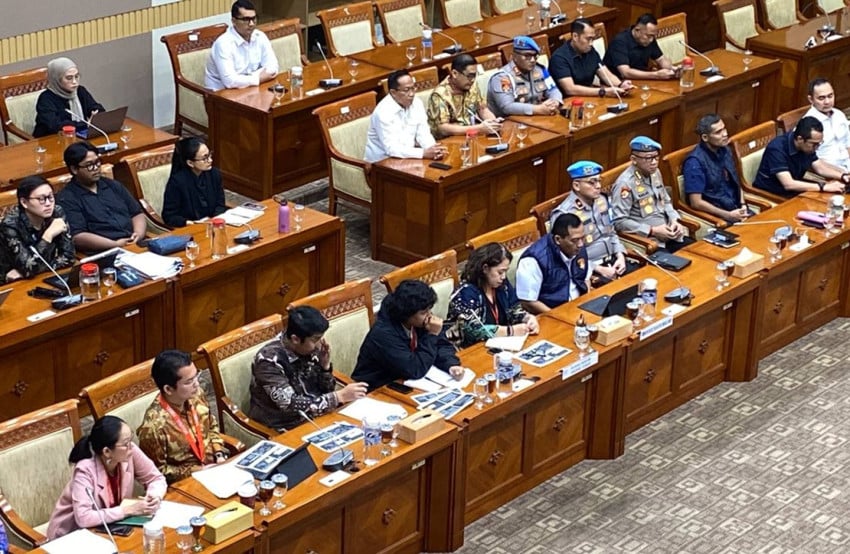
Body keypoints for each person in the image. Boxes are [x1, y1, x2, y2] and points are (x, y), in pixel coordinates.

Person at [46, 415, 166, 540]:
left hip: (110, 529)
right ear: (107, 452)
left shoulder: (129, 451)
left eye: (131, 439)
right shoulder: (84, 470)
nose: (131, 446)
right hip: (71, 535)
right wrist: (128, 510)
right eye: (126, 443)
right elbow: (83, 517)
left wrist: (154, 496)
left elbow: (156, 478)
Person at [250, 306, 368, 431]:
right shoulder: (268, 361)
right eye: (316, 339)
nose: (320, 345)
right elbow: (290, 403)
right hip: (284, 426)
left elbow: (326, 390)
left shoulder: (310, 349)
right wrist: (337, 397)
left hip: (317, 418)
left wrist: (325, 367)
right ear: (295, 339)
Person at [352, 279, 464, 391]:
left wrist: (450, 364)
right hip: (377, 388)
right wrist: (432, 335)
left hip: (406, 382)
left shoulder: (418, 319)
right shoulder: (383, 334)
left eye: (429, 310)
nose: (429, 316)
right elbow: (415, 369)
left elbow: (440, 344)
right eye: (424, 312)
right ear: (406, 313)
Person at [137, 350, 228, 484]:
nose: (197, 384)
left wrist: (219, 453)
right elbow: (157, 472)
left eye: (196, 376)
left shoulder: (196, 395)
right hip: (185, 484)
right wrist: (197, 471)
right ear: (168, 389)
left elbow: (212, 425)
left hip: (215, 467)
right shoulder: (153, 427)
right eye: (189, 381)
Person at [551, 161, 633, 285]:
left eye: (599, 181)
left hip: (615, 261)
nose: (598, 186)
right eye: (592, 182)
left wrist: (620, 254)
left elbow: (611, 232)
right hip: (588, 271)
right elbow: (565, 255)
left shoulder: (602, 201)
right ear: (576, 185)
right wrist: (598, 269)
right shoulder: (564, 214)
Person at [56, 142, 146, 252]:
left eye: (97, 163)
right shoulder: (67, 198)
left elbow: (136, 213)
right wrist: (115, 244)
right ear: (74, 169)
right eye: (89, 165)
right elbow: (78, 236)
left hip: (135, 243)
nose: (96, 168)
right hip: (104, 251)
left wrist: (138, 234)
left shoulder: (113, 185)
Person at [446, 242, 540, 347]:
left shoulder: (501, 285)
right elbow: (472, 330)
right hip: (471, 351)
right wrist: (510, 331)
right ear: (485, 268)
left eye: (505, 272)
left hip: (502, 345)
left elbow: (514, 310)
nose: (503, 277)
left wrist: (528, 318)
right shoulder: (465, 293)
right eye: (500, 272)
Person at [610, 136, 693, 252]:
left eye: (656, 157)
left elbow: (666, 201)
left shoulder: (655, 173)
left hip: (670, 234)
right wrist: (652, 230)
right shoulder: (625, 184)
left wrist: (675, 220)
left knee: (696, 253)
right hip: (650, 241)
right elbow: (619, 221)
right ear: (634, 159)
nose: (654, 163)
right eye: (649, 158)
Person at [0, 175, 75, 284]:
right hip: (11, 284)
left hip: (42, 277)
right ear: (24, 202)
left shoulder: (57, 212)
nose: (48, 203)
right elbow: (29, 268)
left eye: (51, 197)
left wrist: (33, 270)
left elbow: (69, 257)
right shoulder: (10, 225)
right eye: (41, 199)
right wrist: (48, 236)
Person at [754, 116, 849, 198]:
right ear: (800, 139)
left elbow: (819, 167)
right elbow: (789, 184)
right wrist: (823, 187)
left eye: (819, 143)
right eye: (814, 144)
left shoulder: (807, 146)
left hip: (794, 191)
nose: (817, 148)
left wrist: (843, 176)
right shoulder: (777, 149)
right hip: (772, 194)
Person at [364, 69, 447, 163]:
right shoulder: (383, 112)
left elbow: (423, 133)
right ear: (393, 92)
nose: (411, 94)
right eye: (406, 90)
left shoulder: (417, 103)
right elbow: (391, 149)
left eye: (413, 88)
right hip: (382, 162)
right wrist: (423, 153)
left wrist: (433, 150)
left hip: (408, 158)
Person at [683, 114, 752, 223]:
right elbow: (696, 202)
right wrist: (728, 215)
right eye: (718, 132)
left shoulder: (726, 150)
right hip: (720, 216)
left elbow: (736, 181)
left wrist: (743, 204)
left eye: (724, 128)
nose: (725, 134)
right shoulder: (694, 162)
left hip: (737, 208)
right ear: (705, 137)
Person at [516, 213, 590, 314]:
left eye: (583, 238)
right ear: (558, 239)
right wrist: (559, 317)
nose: (581, 244)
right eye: (575, 240)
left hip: (579, 307)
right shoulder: (533, 260)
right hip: (552, 314)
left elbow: (585, 278)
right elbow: (528, 302)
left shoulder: (577, 247)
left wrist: (588, 302)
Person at [205, 0, 279, 91]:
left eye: (254, 18)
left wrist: (245, 79)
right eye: (246, 20)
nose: (251, 24)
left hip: (250, 89)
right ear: (234, 21)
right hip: (221, 94)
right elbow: (230, 82)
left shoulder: (260, 36)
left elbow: (273, 67)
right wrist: (259, 77)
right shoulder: (223, 44)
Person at [549, 19, 633, 98]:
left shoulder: (590, 50)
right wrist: (603, 91)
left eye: (592, 39)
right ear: (575, 36)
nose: (591, 43)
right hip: (569, 102)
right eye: (588, 39)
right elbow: (570, 89)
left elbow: (606, 74)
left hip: (590, 98)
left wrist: (620, 85)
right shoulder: (559, 58)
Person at [427, 53, 503, 139]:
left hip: (471, 135)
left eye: (474, 75)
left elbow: (482, 109)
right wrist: (478, 128)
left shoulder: (472, 85)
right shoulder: (439, 94)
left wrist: (493, 122)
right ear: (455, 73)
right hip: (450, 140)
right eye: (469, 76)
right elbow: (443, 128)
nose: (473, 80)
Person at [487, 36, 563, 118]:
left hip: (538, 117)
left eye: (535, 56)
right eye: (527, 56)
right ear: (514, 57)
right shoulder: (503, 77)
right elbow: (507, 106)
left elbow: (553, 90)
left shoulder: (540, 70)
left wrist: (555, 101)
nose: (533, 60)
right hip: (510, 123)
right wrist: (537, 109)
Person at [161, 137, 227, 227]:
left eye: (210, 155)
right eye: (205, 158)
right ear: (190, 163)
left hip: (214, 225)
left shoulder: (214, 174)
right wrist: (190, 223)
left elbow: (220, 204)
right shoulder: (177, 182)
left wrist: (215, 219)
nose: (210, 160)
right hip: (190, 229)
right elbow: (169, 216)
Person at [33, 57, 105, 138]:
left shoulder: (80, 91)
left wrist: (97, 116)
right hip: (52, 141)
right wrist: (86, 124)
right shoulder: (46, 99)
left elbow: (96, 108)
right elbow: (56, 126)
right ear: (57, 79)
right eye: (69, 78)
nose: (74, 82)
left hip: (79, 137)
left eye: (76, 76)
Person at [603, 14, 678, 80]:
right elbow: (626, 72)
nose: (651, 40)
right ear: (637, 30)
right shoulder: (619, 42)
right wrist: (656, 75)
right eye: (648, 36)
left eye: (653, 36)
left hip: (642, 80)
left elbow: (661, 59)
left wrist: (671, 69)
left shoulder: (650, 39)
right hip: (619, 83)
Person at [803, 78, 850, 171]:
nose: (827, 102)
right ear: (811, 99)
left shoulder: (839, 114)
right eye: (821, 98)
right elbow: (808, 159)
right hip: (830, 170)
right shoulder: (807, 124)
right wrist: (842, 173)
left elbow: (847, 143)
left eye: (830, 96)